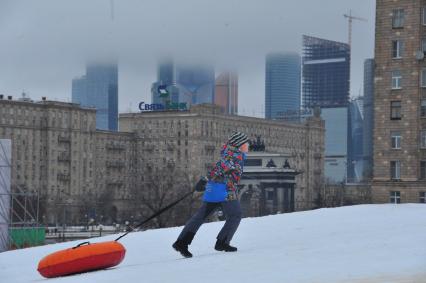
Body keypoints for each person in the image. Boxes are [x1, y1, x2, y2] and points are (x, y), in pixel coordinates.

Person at [172, 131, 249, 258]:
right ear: (239, 145)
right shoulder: (233, 156)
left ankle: (181, 242)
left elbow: (220, 167)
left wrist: (205, 181)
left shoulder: (233, 154)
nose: (248, 146)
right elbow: (219, 168)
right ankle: (222, 242)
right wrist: (204, 179)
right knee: (235, 214)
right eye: (246, 144)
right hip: (225, 190)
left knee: (200, 216)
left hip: (215, 189)